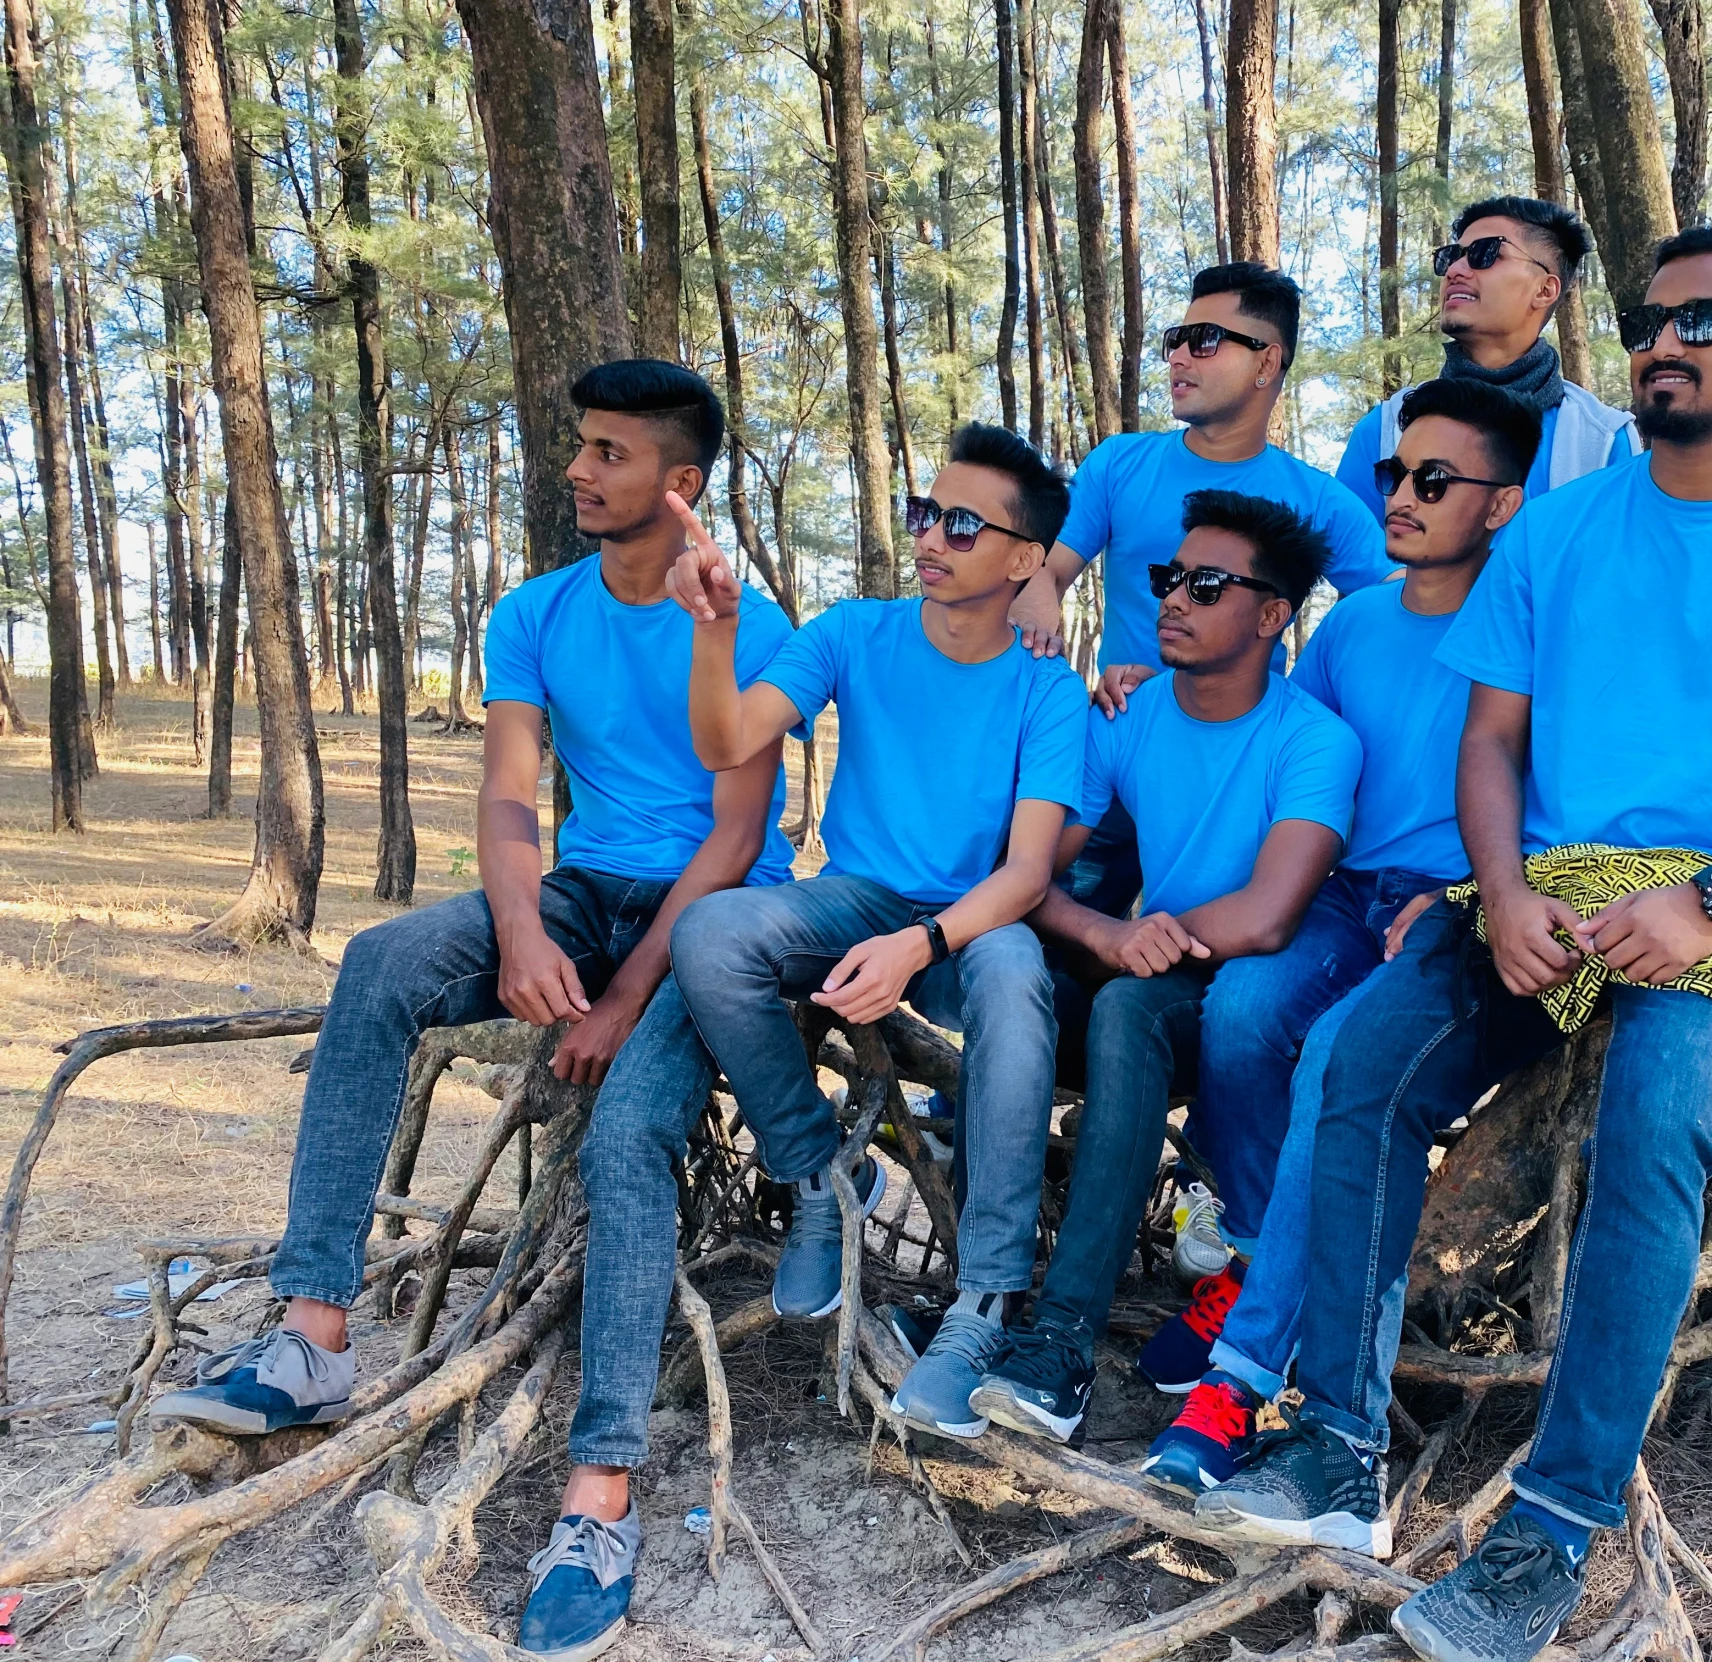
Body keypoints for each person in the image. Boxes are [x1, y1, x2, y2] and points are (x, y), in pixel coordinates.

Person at [1195, 225, 1712, 1662]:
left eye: (1709, 319)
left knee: (1656, 1113)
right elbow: (1490, 741)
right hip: (1546, 895)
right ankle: (1334, 1451)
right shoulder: (1557, 532)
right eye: (1654, 317)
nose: (1668, 340)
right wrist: (1497, 892)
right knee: (1364, 1056)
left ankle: (1549, 1532)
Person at [149, 360, 801, 1662]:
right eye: (580, 447)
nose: (577, 469)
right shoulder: (534, 611)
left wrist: (622, 997)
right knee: (380, 964)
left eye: (607, 451)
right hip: (580, 890)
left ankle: (599, 1497)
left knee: (623, 1135)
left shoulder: (746, 619)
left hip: (711, 929)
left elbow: (736, 837)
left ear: (676, 483)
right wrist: (517, 929)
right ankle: (314, 1335)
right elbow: (510, 795)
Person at [1137, 378, 1542, 1494]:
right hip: (1339, 891)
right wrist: (1146, 682)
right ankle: (1264, 1253)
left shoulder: (1526, 615)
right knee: (1242, 1012)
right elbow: (1277, 720)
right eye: (1389, 476)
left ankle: (1244, 1368)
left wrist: (1469, 888)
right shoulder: (1354, 622)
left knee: (1334, 1059)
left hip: (1447, 901)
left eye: (1431, 480)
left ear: (1500, 505)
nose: (1398, 497)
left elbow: (1540, 776)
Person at [663, 422, 1088, 1443]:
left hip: (970, 919)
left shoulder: (1045, 689)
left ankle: (982, 1302)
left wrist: (921, 946)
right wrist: (713, 628)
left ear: (1026, 559)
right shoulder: (854, 633)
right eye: (922, 513)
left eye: (961, 523)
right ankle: (821, 1174)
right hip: (852, 896)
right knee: (713, 936)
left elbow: (1027, 872)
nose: (931, 538)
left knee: (1014, 982)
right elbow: (725, 738)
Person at [965, 490, 1361, 1445]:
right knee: (1058, 992)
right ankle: (1008, 1322)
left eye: (1208, 584)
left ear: (1273, 615)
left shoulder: (1315, 742)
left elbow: (1270, 917)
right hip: (1164, 968)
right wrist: (1106, 937)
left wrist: (1146, 938)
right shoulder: (1128, 718)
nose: (1174, 598)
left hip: (1265, 983)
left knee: (1143, 1012)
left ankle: (1108, 1329)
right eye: (1167, 578)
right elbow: (1033, 877)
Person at [1003, 262, 1388, 973]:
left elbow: (1400, 607)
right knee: (1037, 939)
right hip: (1117, 739)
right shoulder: (1120, 465)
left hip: (1232, 779)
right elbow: (1046, 576)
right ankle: (992, 1080)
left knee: (1204, 980)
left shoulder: (1321, 502)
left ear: (1267, 362)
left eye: (1205, 339)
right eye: (1176, 338)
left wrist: (1314, 711)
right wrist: (1050, 658)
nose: (1178, 355)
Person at [1336, 196, 1636, 522]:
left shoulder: (1602, 442)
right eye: (1452, 257)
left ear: (1545, 290)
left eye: (1486, 253)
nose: (1454, 270)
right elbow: (1350, 562)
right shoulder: (1384, 431)